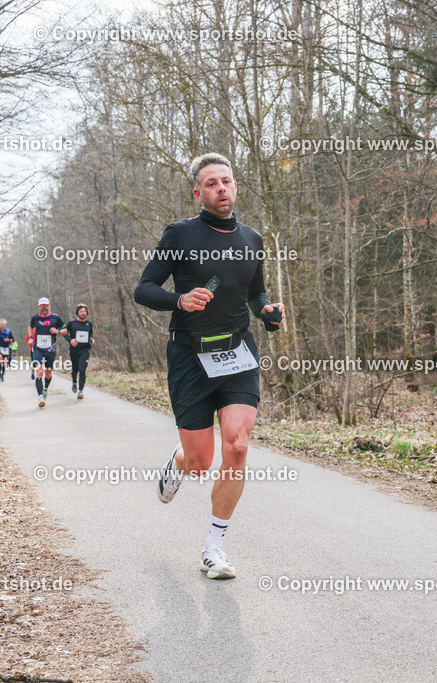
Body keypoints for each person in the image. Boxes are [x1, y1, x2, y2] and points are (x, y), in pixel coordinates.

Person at [134, 153, 285, 580]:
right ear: (198, 193)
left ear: (236, 187)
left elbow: (255, 295)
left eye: (227, 181)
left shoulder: (252, 239)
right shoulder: (181, 234)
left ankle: (214, 547)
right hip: (189, 356)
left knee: (237, 445)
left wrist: (269, 313)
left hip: (237, 352)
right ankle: (180, 462)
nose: (221, 188)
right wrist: (179, 299)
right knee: (201, 461)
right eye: (212, 183)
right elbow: (143, 289)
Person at [28, 297, 65, 409]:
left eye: (46, 305)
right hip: (38, 348)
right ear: (39, 306)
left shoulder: (55, 317)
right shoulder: (35, 318)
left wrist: (57, 331)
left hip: (51, 349)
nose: (44, 307)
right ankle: (40, 397)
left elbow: (65, 330)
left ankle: (45, 389)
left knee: (48, 373)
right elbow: (30, 326)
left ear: (49, 306)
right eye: (42, 306)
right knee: (39, 371)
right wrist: (30, 337)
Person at [62, 304, 94, 399]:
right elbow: (64, 333)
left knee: (82, 369)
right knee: (75, 369)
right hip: (74, 350)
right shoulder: (72, 323)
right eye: (81, 311)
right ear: (77, 313)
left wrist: (92, 339)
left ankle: (80, 390)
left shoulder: (89, 323)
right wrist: (70, 340)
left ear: (87, 312)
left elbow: (90, 333)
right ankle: (74, 382)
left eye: (84, 311)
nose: (83, 313)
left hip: (85, 349)